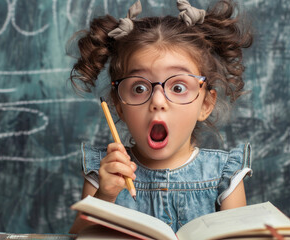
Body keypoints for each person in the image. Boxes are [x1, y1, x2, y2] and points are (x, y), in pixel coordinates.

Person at [68, 0, 254, 233]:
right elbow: (79, 237)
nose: (157, 101)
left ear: (205, 104)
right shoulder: (104, 173)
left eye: (178, 88)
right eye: (139, 88)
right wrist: (105, 195)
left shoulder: (225, 177)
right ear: (119, 106)